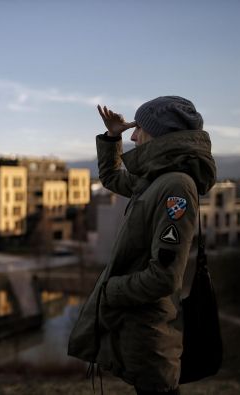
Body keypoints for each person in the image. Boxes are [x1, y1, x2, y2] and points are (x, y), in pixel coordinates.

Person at [68, 96, 216, 394]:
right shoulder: (155, 179)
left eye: (140, 129)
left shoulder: (175, 186)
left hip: (149, 332)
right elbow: (111, 177)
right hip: (137, 327)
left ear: (160, 134)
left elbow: (164, 277)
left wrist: (111, 290)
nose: (133, 136)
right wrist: (113, 137)